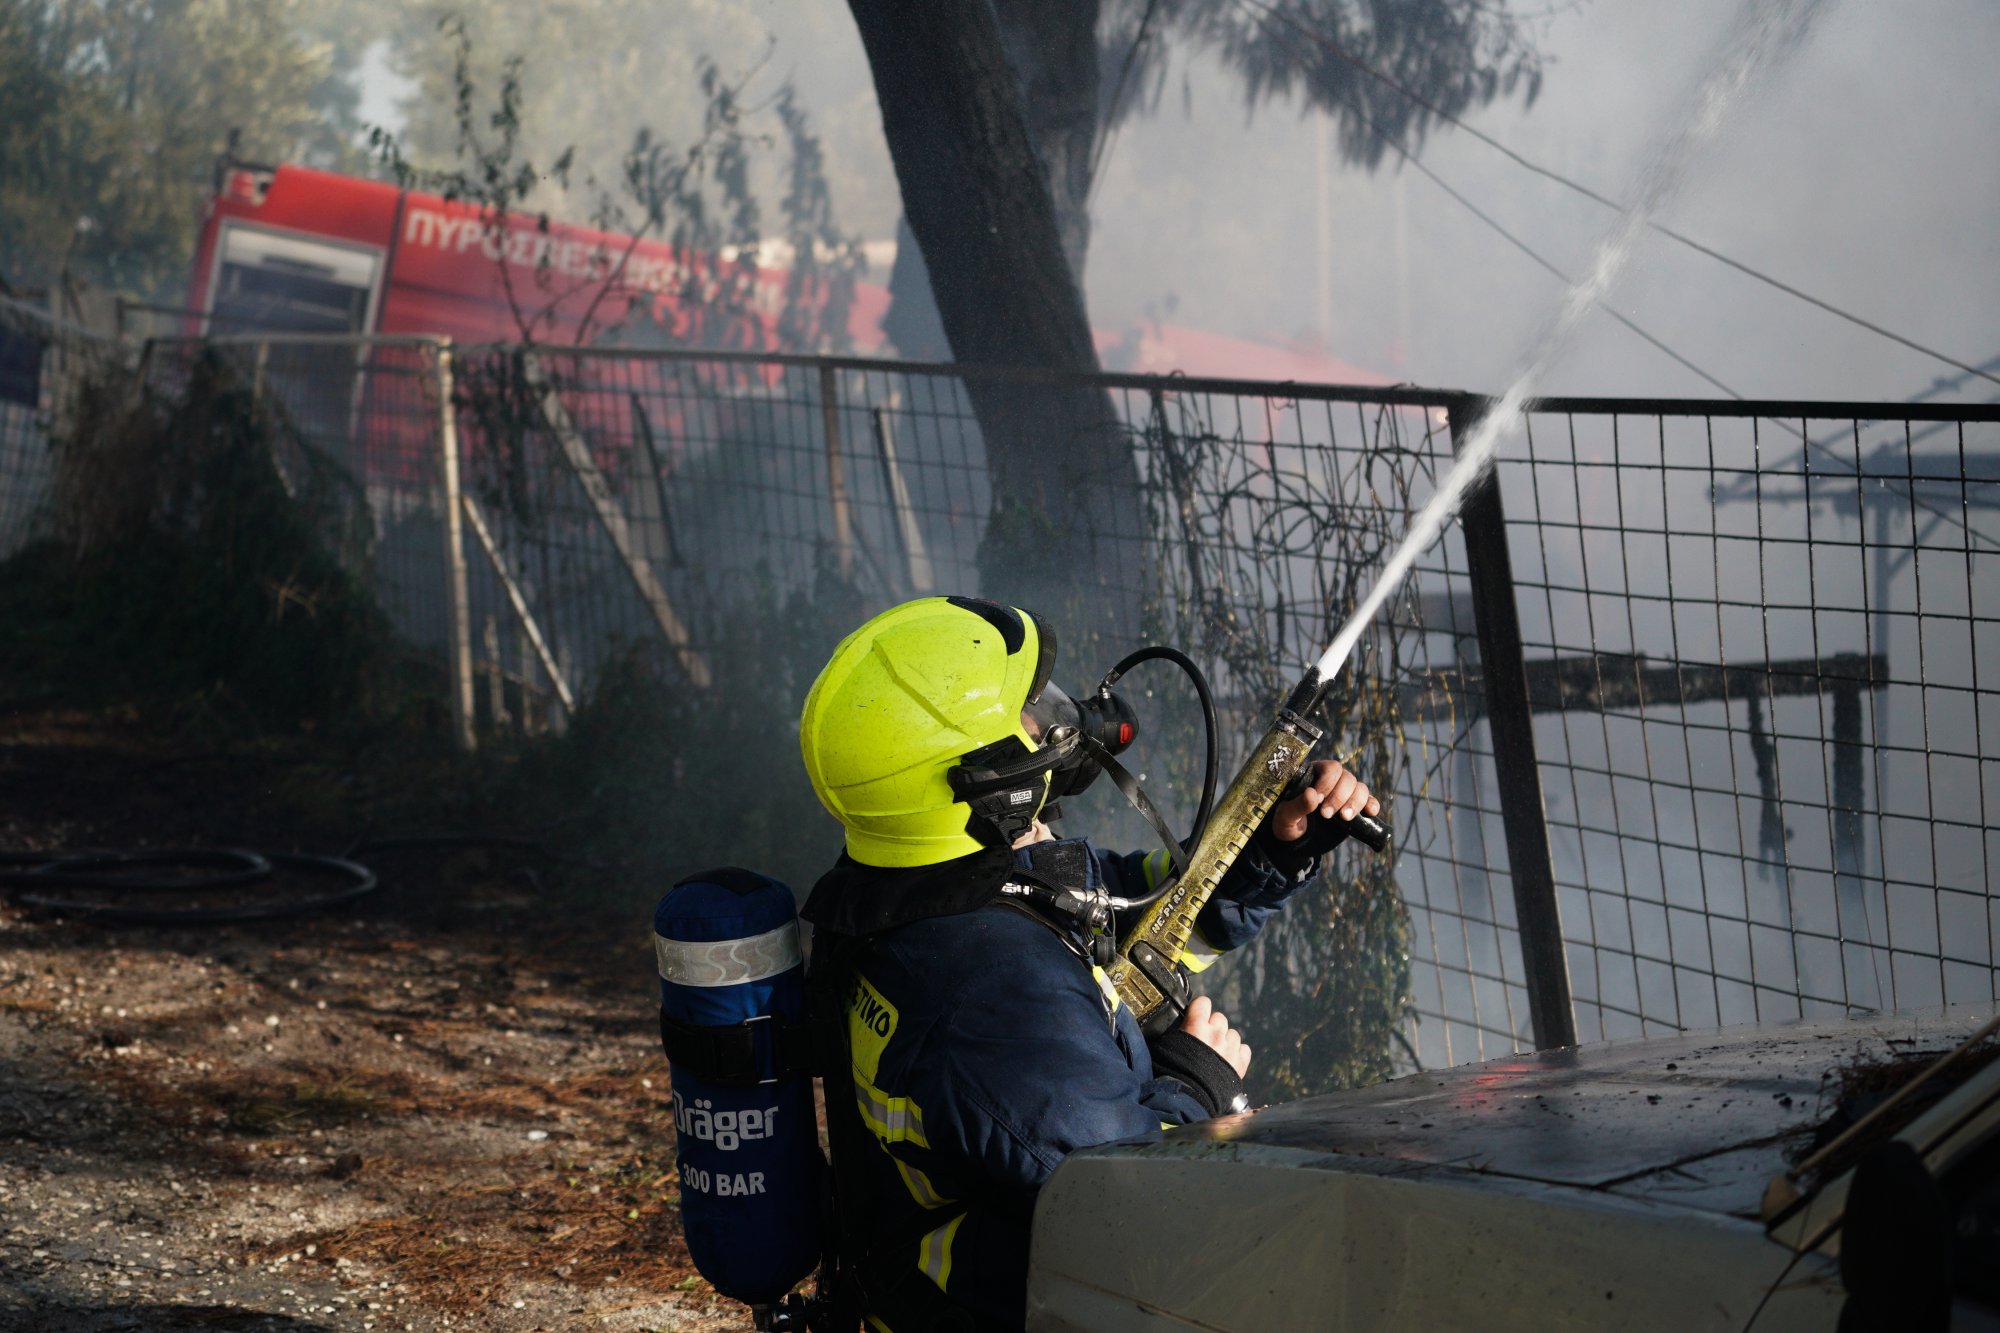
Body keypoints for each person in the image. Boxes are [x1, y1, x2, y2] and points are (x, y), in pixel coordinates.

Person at [798, 596, 1379, 1330]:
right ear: (983, 776)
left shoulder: (925, 883)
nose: (1058, 720)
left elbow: (1148, 913)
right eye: (1030, 714)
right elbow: (1128, 1207)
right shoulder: (995, 995)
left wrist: (1273, 845)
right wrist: (1198, 1080)